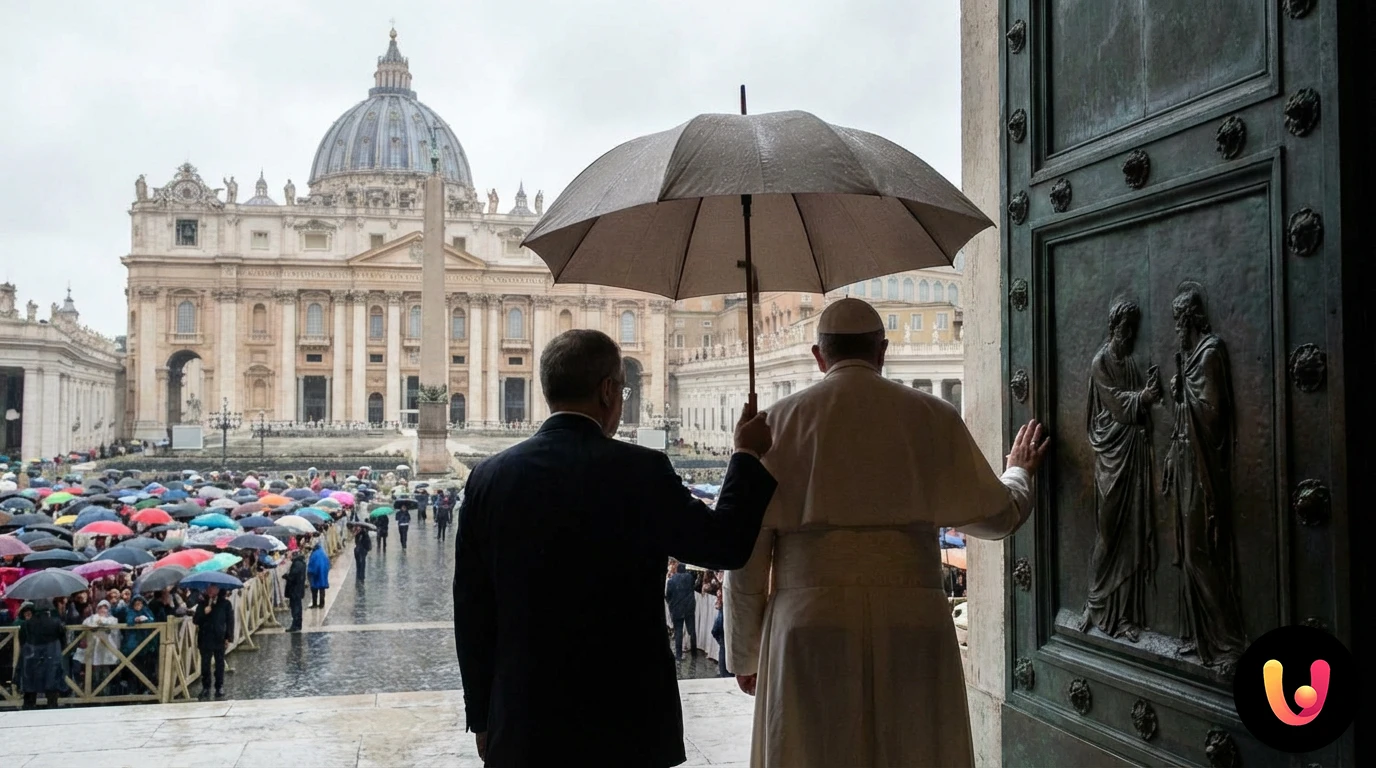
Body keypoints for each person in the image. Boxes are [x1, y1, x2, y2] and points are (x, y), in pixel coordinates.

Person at [723, 298, 1050, 768]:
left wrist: (746, 653)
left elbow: (746, 556)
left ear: (819, 356)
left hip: (806, 626)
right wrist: (1018, 473)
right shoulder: (933, 416)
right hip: (912, 620)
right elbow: (997, 517)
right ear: (883, 351)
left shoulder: (772, 424)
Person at [454, 329, 776, 766]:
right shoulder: (641, 471)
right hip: (627, 717)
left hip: (525, 716)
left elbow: (472, 613)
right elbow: (725, 545)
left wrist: (482, 717)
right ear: (608, 391)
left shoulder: (488, 478)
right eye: (622, 389)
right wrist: (745, 457)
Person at [17, 599, 65, 709]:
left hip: (31, 657)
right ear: (48, 611)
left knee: (30, 682)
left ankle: (29, 705)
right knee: (51, 681)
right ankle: (52, 704)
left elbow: (22, 641)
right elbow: (63, 640)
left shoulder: (26, 624)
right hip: (51, 655)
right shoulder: (56, 622)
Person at [193, 584, 234, 700]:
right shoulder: (202, 603)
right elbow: (196, 620)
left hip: (219, 637)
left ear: (218, 589)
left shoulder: (225, 604)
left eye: (213, 588)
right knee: (205, 664)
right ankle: (206, 687)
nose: (210, 590)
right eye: (209, 588)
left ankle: (219, 686)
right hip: (205, 637)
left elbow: (230, 621)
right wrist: (204, 613)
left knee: (219, 663)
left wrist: (228, 637)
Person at [664, 563, 698, 662]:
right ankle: (694, 653)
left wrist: (671, 605)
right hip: (689, 609)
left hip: (676, 609)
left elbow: (668, 595)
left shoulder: (671, 580)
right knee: (692, 631)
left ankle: (678, 655)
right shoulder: (690, 578)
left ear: (677, 570)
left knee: (678, 632)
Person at [284, 550, 307, 632]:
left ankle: (295, 625)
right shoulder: (302, 563)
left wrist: (286, 577)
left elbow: (292, 578)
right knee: (298, 607)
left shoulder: (296, 564)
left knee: (295, 608)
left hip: (295, 590)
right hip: (299, 589)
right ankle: (298, 624)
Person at [307, 542, 330, 609]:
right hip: (322, 575)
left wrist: (310, 573)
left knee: (314, 590)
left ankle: (314, 604)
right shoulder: (324, 554)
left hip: (315, 575)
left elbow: (312, 565)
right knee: (322, 590)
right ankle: (321, 604)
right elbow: (327, 564)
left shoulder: (314, 554)